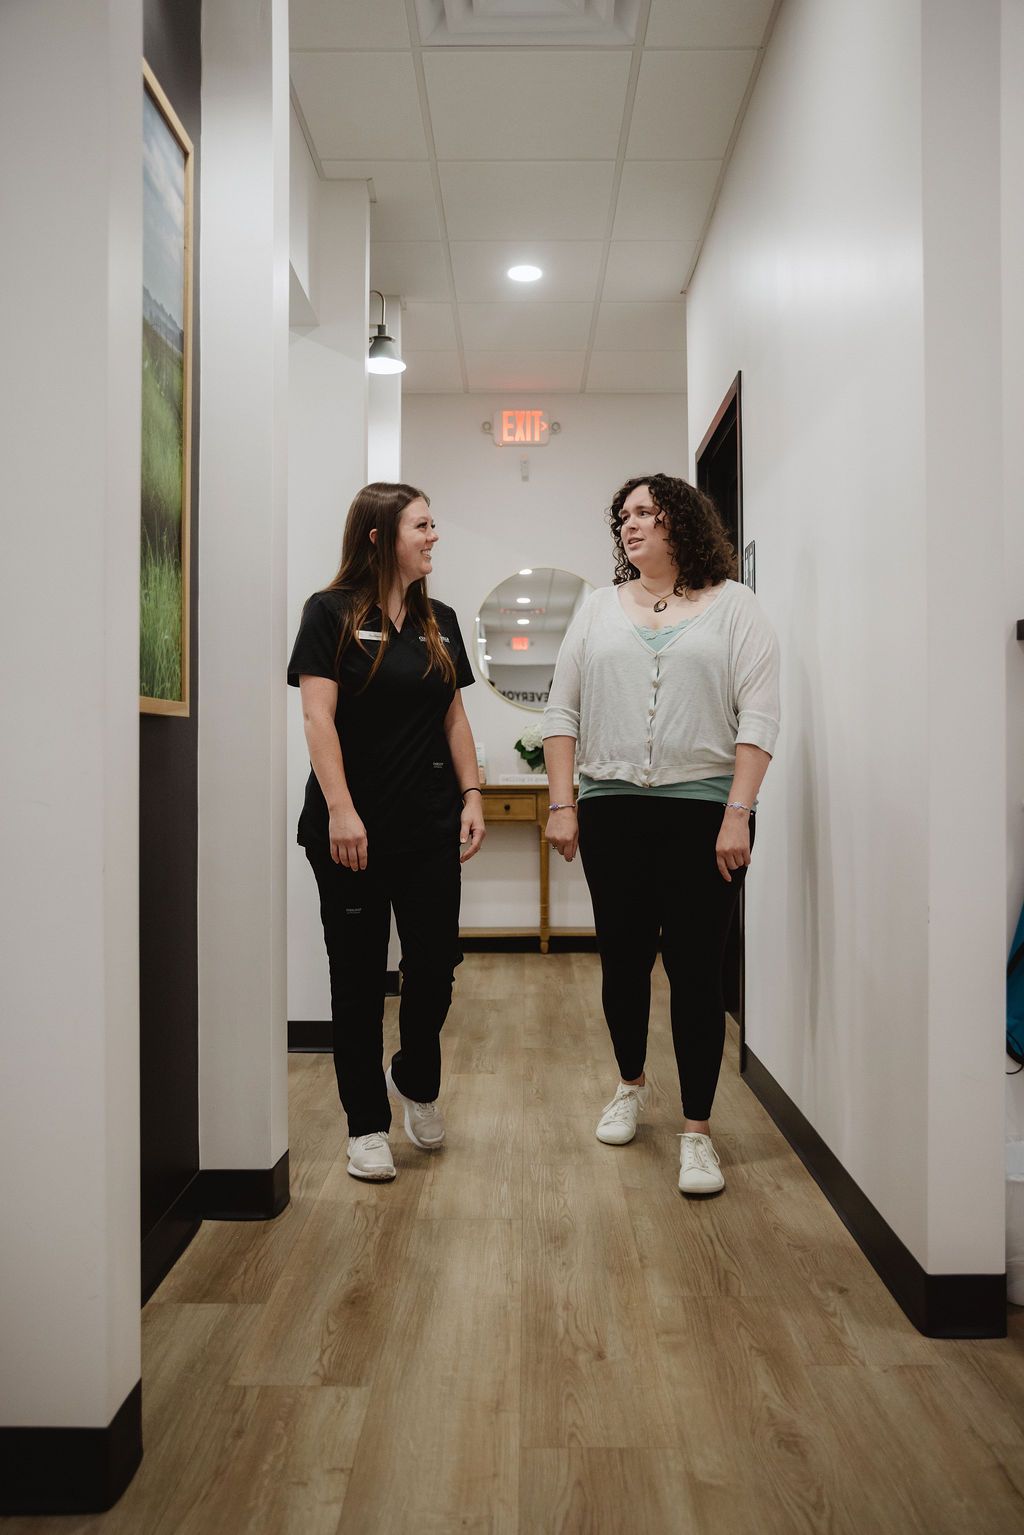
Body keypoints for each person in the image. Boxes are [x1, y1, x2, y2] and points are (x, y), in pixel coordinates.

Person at [542, 474, 780, 1195]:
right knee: (622, 961)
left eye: (646, 511)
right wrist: (563, 802)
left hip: (705, 814)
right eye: (624, 515)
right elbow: (561, 712)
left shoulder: (735, 606)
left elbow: (760, 716)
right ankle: (630, 1083)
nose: (631, 523)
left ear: (683, 520)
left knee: (697, 971)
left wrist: (738, 812)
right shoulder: (596, 608)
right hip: (612, 809)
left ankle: (697, 1132)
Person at [287, 482, 485, 1182]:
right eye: (421, 525)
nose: (434, 536)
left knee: (435, 967)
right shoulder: (331, 612)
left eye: (433, 524)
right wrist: (341, 809)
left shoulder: (440, 620)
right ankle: (366, 1124)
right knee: (358, 978)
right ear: (380, 537)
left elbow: (453, 717)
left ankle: (416, 1079)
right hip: (352, 832)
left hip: (429, 824)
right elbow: (317, 716)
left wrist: (471, 793)